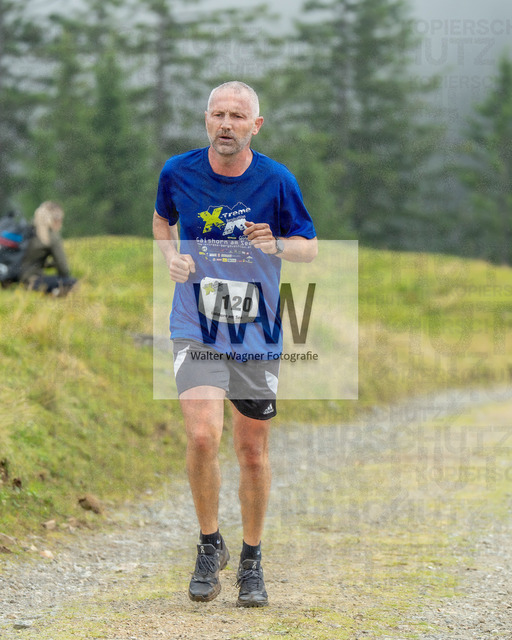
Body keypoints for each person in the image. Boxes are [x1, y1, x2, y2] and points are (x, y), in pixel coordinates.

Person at [153, 81, 317, 607]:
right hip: (195, 323)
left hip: (254, 332)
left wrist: (279, 244)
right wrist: (171, 258)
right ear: (206, 120)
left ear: (256, 125)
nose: (227, 124)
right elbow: (162, 220)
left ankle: (251, 559)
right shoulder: (177, 171)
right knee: (203, 436)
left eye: (238, 116)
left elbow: (309, 247)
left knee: (251, 450)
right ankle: (209, 545)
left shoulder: (277, 180)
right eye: (218, 114)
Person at [20, 201, 77, 295]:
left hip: (15, 279)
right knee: (72, 282)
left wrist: (50, 264)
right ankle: (54, 294)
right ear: (55, 219)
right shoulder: (51, 237)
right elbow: (64, 270)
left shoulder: (28, 230)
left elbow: (31, 260)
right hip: (31, 281)